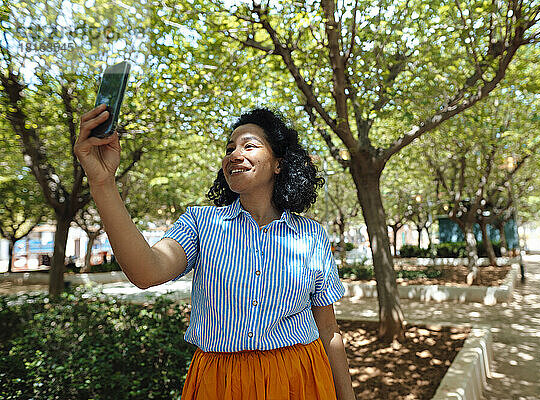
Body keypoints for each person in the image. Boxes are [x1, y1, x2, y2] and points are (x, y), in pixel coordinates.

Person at [74, 104, 356, 400]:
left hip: (299, 379)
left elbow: (328, 329)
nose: (234, 154)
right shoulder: (200, 223)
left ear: (278, 164)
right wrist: (102, 182)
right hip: (219, 384)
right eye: (229, 148)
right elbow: (146, 272)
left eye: (249, 145)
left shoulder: (312, 234)